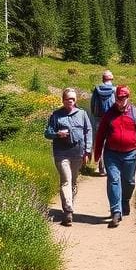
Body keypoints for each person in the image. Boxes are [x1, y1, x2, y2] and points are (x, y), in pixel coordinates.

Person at [93, 85, 136, 227]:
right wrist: (97, 154)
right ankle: (116, 212)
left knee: (129, 181)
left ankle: (125, 200)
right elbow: (100, 135)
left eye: (124, 98)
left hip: (131, 153)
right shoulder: (109, 114)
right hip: (111, 154)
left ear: (128, 97)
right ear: (116, 98)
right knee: (113, 180)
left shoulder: (135, 112)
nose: (121, 101)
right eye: (119, 98)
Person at [44, 87, 93, 227]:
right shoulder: (56, 115)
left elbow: (88, 132)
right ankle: (68, 210)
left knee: (73, 182)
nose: (70, 101)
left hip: (77, 153)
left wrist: (87, 151)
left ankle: (69, 205)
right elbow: (47, 133)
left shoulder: (82, 114)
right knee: (66, 180)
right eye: (67, 99)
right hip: (61, 153)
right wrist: (57, 134)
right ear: (63, 100)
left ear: (75, 100)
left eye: (72, 99)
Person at [89, 69, 117, 175]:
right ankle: (110, 167)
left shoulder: (97, 89)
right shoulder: (114, 89)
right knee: (111, 143)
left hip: (99, 119)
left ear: (103, 79)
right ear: (111, 78)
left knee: (100, 143)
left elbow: (92, 105)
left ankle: (101, 168)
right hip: (112, 120)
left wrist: (94, 115)